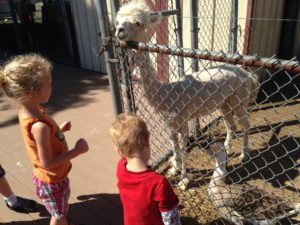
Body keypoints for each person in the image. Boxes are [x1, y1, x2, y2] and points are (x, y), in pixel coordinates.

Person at [0, 53, 89, 225]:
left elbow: (37, 140)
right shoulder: (38, 125)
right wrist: (77, 151)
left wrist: (59, 130)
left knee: (59, 209)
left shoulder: (29, 110)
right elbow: (47, 162)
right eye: (48, 85)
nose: (52, 87)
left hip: (48, 178)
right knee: (58, 214)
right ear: (31, 93)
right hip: (52, 179)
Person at [109, 113, 182, 225]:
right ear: (147, 140)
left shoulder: (121, 167)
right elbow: (171, 219)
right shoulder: (158, 183)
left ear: (118, 151)